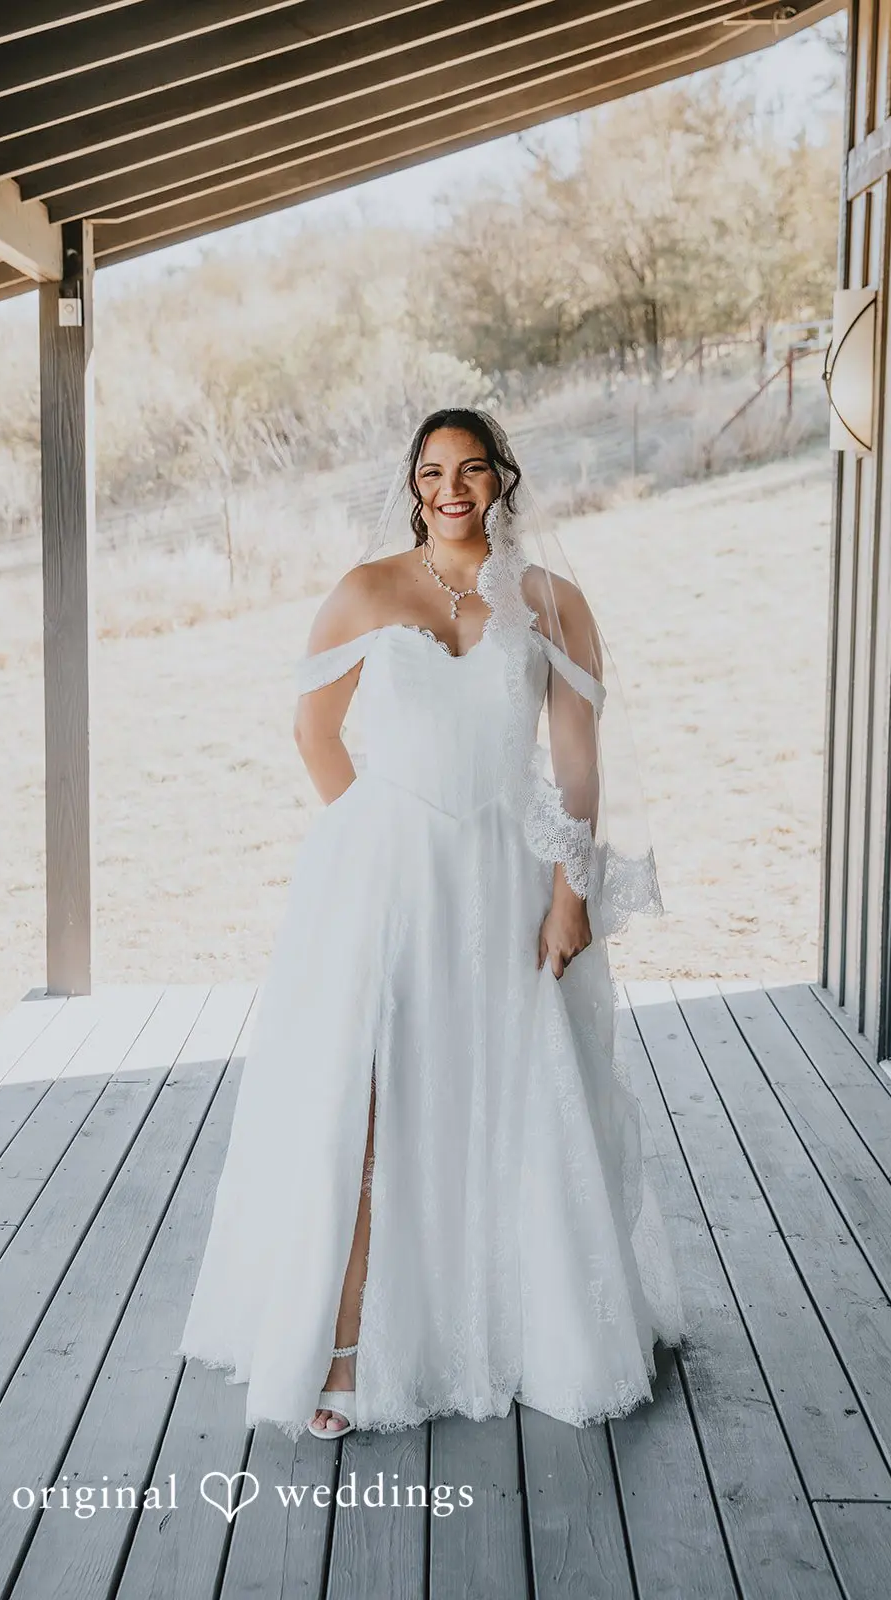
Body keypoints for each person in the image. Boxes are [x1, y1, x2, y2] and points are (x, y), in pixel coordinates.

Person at [177, 407, 686, 1440]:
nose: (451, 489)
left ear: (502, 478)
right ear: (412, 487)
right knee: (363, 1100)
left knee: (509, 1088)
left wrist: (570, 894)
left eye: (470, 469)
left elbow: (575, 761)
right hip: (383, 877)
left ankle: (522, 1328)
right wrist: (375, 841)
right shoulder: (366, 590)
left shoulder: (551, 603)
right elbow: (314, 733)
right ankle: (344, 1347)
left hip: (507, 874)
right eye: (431, 472)